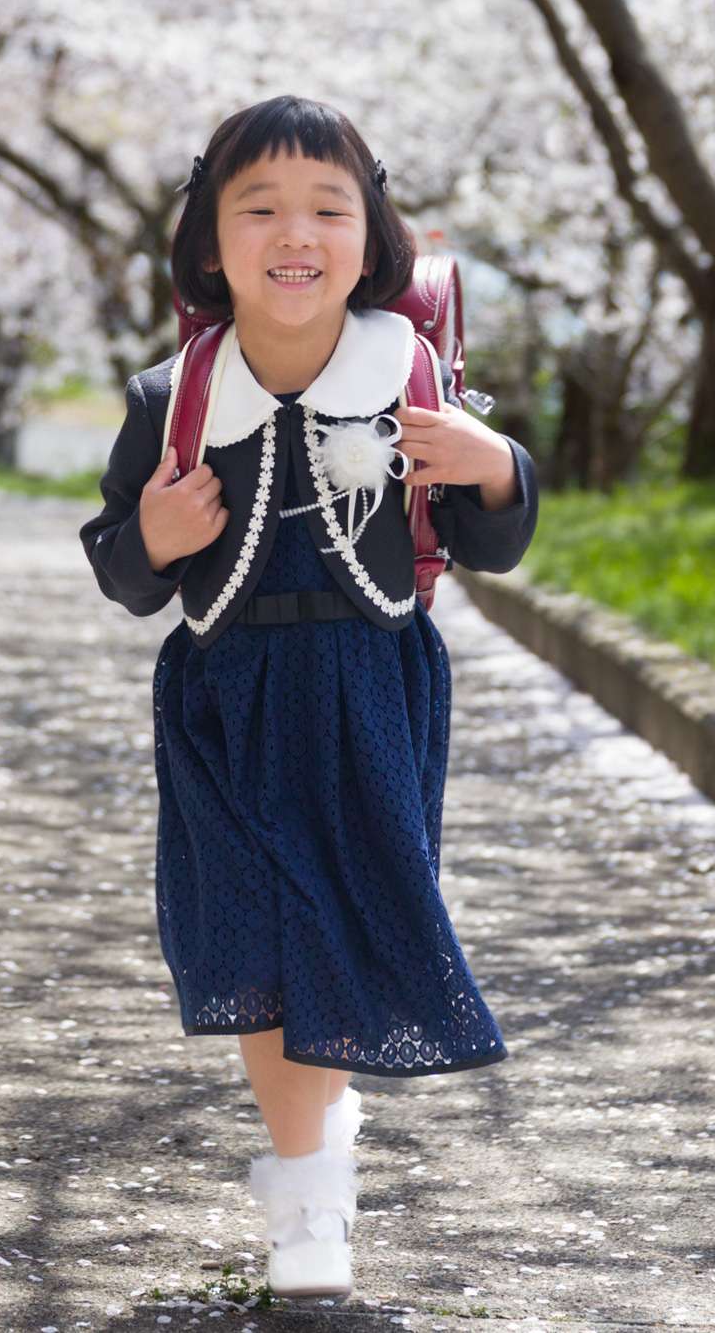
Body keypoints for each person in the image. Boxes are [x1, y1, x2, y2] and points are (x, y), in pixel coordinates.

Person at [77, 94, 540, 1301]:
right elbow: (122, 573)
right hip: (223, 701)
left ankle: (311, 1184)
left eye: (330, 208)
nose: (298, 232)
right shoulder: (169, 396)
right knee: (252, 942)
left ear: (371, 235)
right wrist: (153, 536)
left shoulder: (415, 372)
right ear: (210, 241)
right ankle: (309, 1189)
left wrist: (496, 469)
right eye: (260, 207)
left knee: (333, 927)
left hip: (371, 694)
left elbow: (489, 545)